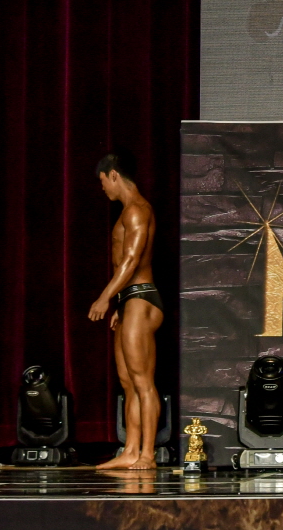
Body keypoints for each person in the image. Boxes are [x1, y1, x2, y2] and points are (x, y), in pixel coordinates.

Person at [87, 149, 164, 470]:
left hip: (142, 298)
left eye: (103, 181)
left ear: (114, 175)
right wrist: (119, 302)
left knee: (143, 381)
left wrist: (105, 297)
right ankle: (131, 451)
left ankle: (147, 455)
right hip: (130, 299)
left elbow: (131, 261)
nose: (103, 187)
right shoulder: (128, 212)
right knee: (128, 382)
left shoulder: (136, 210)